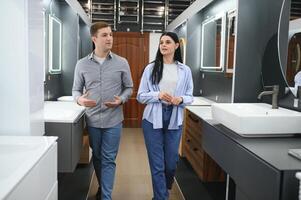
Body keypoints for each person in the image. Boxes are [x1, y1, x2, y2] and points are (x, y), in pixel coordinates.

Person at [72, 21, 133, 200]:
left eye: (111, 34)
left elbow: (129, 88)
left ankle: (106, 196)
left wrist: (121, 99)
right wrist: (79, 99)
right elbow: (75, 89)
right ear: (94, 39)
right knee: (97, 157)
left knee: (108, 158)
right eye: (105, 35)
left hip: (114, 120)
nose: (109, 38)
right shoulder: (81, 64)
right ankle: (102, 186)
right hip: (92, 120)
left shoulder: (122, 62)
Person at [137, 32, 193, 200]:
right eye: (161, 42)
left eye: (168, 42)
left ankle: (163, 189)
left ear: (176, 46)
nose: (163, 45)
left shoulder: (185, 70)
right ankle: (161, 197)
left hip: (174, 119)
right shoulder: (151, 68)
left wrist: (180, 99)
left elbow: (190, 96)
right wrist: (157, 95)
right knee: (157, 165)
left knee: (170, 163)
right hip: (152, 119)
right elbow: (140, 96)